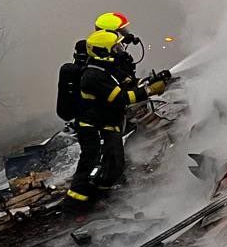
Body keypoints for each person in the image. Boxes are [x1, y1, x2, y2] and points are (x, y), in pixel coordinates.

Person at [65, 30, 169, 209]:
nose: (119, 50)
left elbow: (127, 85)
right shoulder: (93, 75)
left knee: (114, 165)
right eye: (114, 48)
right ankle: (74, 206)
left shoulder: (106, 70)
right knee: (90, 164)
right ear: (102, 51)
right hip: (93, 128)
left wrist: (151, 81)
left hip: (107, 125)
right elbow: (121, 98)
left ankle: (101, 198)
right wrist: (149, 91)